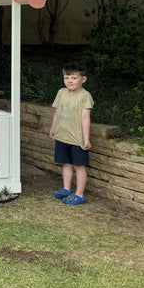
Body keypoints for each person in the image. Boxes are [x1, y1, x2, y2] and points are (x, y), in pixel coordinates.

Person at [49, 62, 93, 205]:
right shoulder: (61, 92)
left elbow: (85, 117)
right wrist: (53, 127)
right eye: (67, 77)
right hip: (62, 136)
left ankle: (79, 194)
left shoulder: (85, 96)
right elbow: (57, 112)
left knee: (79, 166)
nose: (69, 81)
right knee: (66, 164)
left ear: (83, 79)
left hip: (77, 139)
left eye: (74, 78)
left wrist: (86, 139)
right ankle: (66, 189)